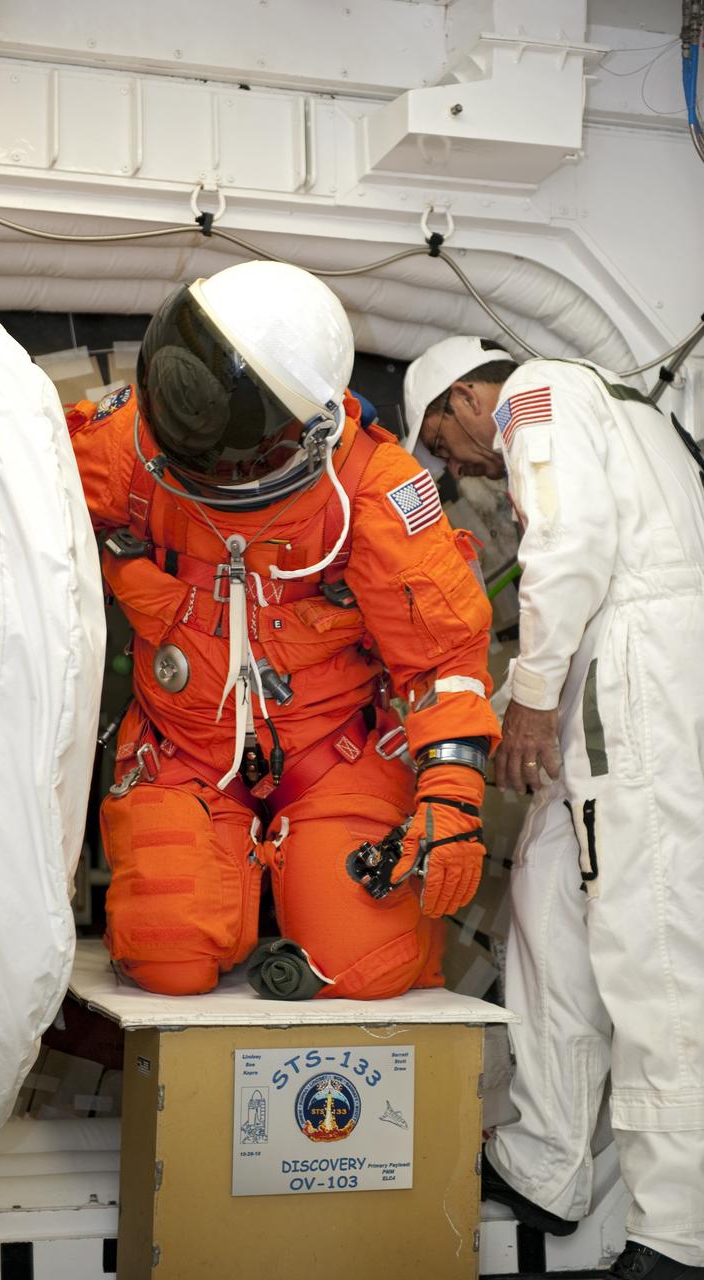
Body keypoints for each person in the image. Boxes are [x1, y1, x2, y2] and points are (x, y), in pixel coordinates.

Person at [67, 261, 499, 1002]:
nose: (200, 440)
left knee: (364, 971)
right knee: (168, 964)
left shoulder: (371, 488)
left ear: (310, 424)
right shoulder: (125, 448)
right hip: (183, 745)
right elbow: (12, 502)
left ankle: (290, 889)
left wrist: (451, 792)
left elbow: (443, 652)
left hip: (331, 746)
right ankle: (218, 892)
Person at [404, 335, 704, 1279]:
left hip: (636, 671)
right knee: (543, 893)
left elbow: (569, 552)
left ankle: (678, 1230)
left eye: (442, 443)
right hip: (610, 656)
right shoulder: (621, 411)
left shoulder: (535, 392)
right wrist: (493, 717)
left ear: (461, 396)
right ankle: (547, 1160)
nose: (455, 466)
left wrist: (528, 701)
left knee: (649, 939)